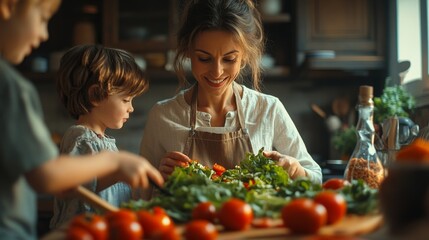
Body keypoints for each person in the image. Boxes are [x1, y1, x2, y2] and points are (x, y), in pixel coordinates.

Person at [0, 0, 163, 239]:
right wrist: (115, 163)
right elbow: (52, 178)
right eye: (43, 19)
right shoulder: (12, 88)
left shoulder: (105, 140)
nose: (45, 34)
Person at [139, 0, 322, 197]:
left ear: (244, 56)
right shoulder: (163, 115)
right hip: (192, 227)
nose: (217, 71)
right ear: (187, 51)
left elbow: (315, 179)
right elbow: (139, 193)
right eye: (204, 58)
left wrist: (295, 169)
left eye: (229, 59)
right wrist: (158, 177)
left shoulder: (268, 109)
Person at [49, 44, 149, 228]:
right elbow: (74, 186)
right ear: (95, 95)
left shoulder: (104, 141)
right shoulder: (80, 136)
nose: (131, 108)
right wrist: (120, 171)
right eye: (126, 100)